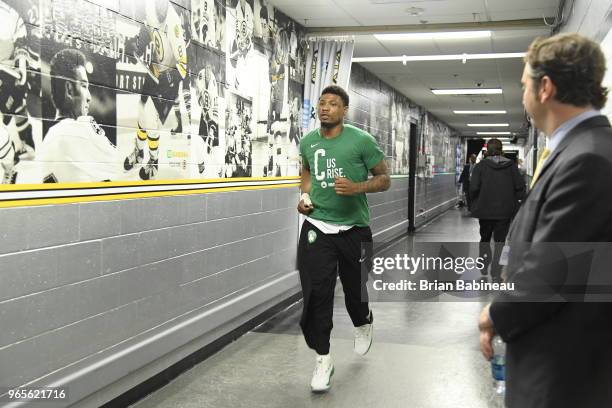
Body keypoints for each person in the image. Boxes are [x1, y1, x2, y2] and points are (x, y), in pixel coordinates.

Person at [478, 33, 612, 408]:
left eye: (524, 86)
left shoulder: (588, 159)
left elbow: (551, 270)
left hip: (563, 367)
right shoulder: (579, 148)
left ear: (545, 88)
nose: (523, 97)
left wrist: (494, 313)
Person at [297, 85, 390, 392]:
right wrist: (305, 195)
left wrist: (357, 188)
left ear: (344, 110)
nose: (325, 108)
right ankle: (323, 359)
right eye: (322, 103)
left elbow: (384, 178)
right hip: (317, 227)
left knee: (354, 289)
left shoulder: (361, 141)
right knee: (317, 294)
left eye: (333, 104)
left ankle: (363, 321)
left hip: (354, 229)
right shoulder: (308, 141)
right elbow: (307, 172)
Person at [123, 0, 189, 180]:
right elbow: (147, 29)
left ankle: (154, 161)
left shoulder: (173, 22)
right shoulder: (150, 7)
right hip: (155, 70)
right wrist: (138, 44)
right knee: (141, 114)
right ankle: (139, 152)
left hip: (170, 80)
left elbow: (183, 66)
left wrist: (170, 77)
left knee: (151, 122)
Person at [36, 49, 120, 183]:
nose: (89, 97)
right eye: (84, 86)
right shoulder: (81, 129)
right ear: (69, 89)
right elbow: (125, 168)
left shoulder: (46, 142)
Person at [470, 140, 525, 281]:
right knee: (501, 241)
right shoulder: (511, 166)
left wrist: (475, 203)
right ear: (501, 150)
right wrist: (518, 203)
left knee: (485, 238)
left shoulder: (480, 166)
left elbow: (474, 187)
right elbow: (520, 186)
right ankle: (496, 271)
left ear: (487, 150)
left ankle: (483, 264)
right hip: (505, 211)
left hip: (485, 209)